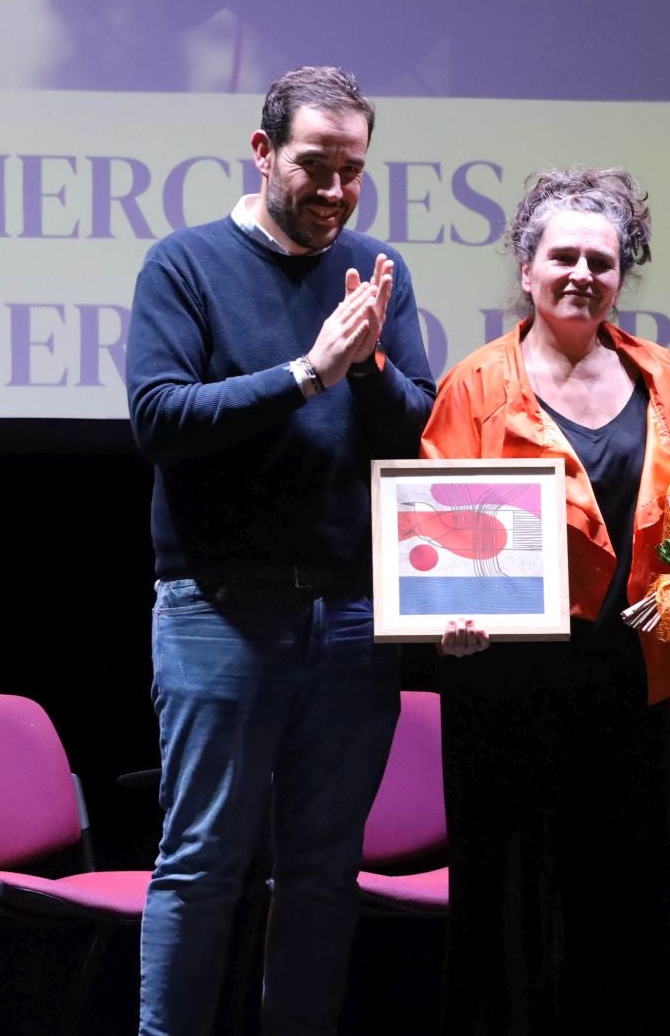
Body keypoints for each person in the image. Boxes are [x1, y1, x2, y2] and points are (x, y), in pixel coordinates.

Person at [419, 168, 670, 1034]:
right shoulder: (475, 385)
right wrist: (447, 617)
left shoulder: (660, 377)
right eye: (563, 256)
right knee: (505, 925)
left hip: (628, 685)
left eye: (603, 260)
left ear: (624, 274)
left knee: (621, 924)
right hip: (501, 692)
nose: (582, 273)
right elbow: (428, 538)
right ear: (526, 267)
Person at [125, 65, 437, 1036]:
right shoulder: (183, 265)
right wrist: (309, 372)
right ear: (263, 153)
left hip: (351, 613)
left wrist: (373, 363)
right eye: (316, 165)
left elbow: (418, 434)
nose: (337, 190)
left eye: (353, 170)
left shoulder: (379, 272)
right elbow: (161, 418)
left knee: (321, 871)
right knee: (203, 863)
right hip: (220, 607)